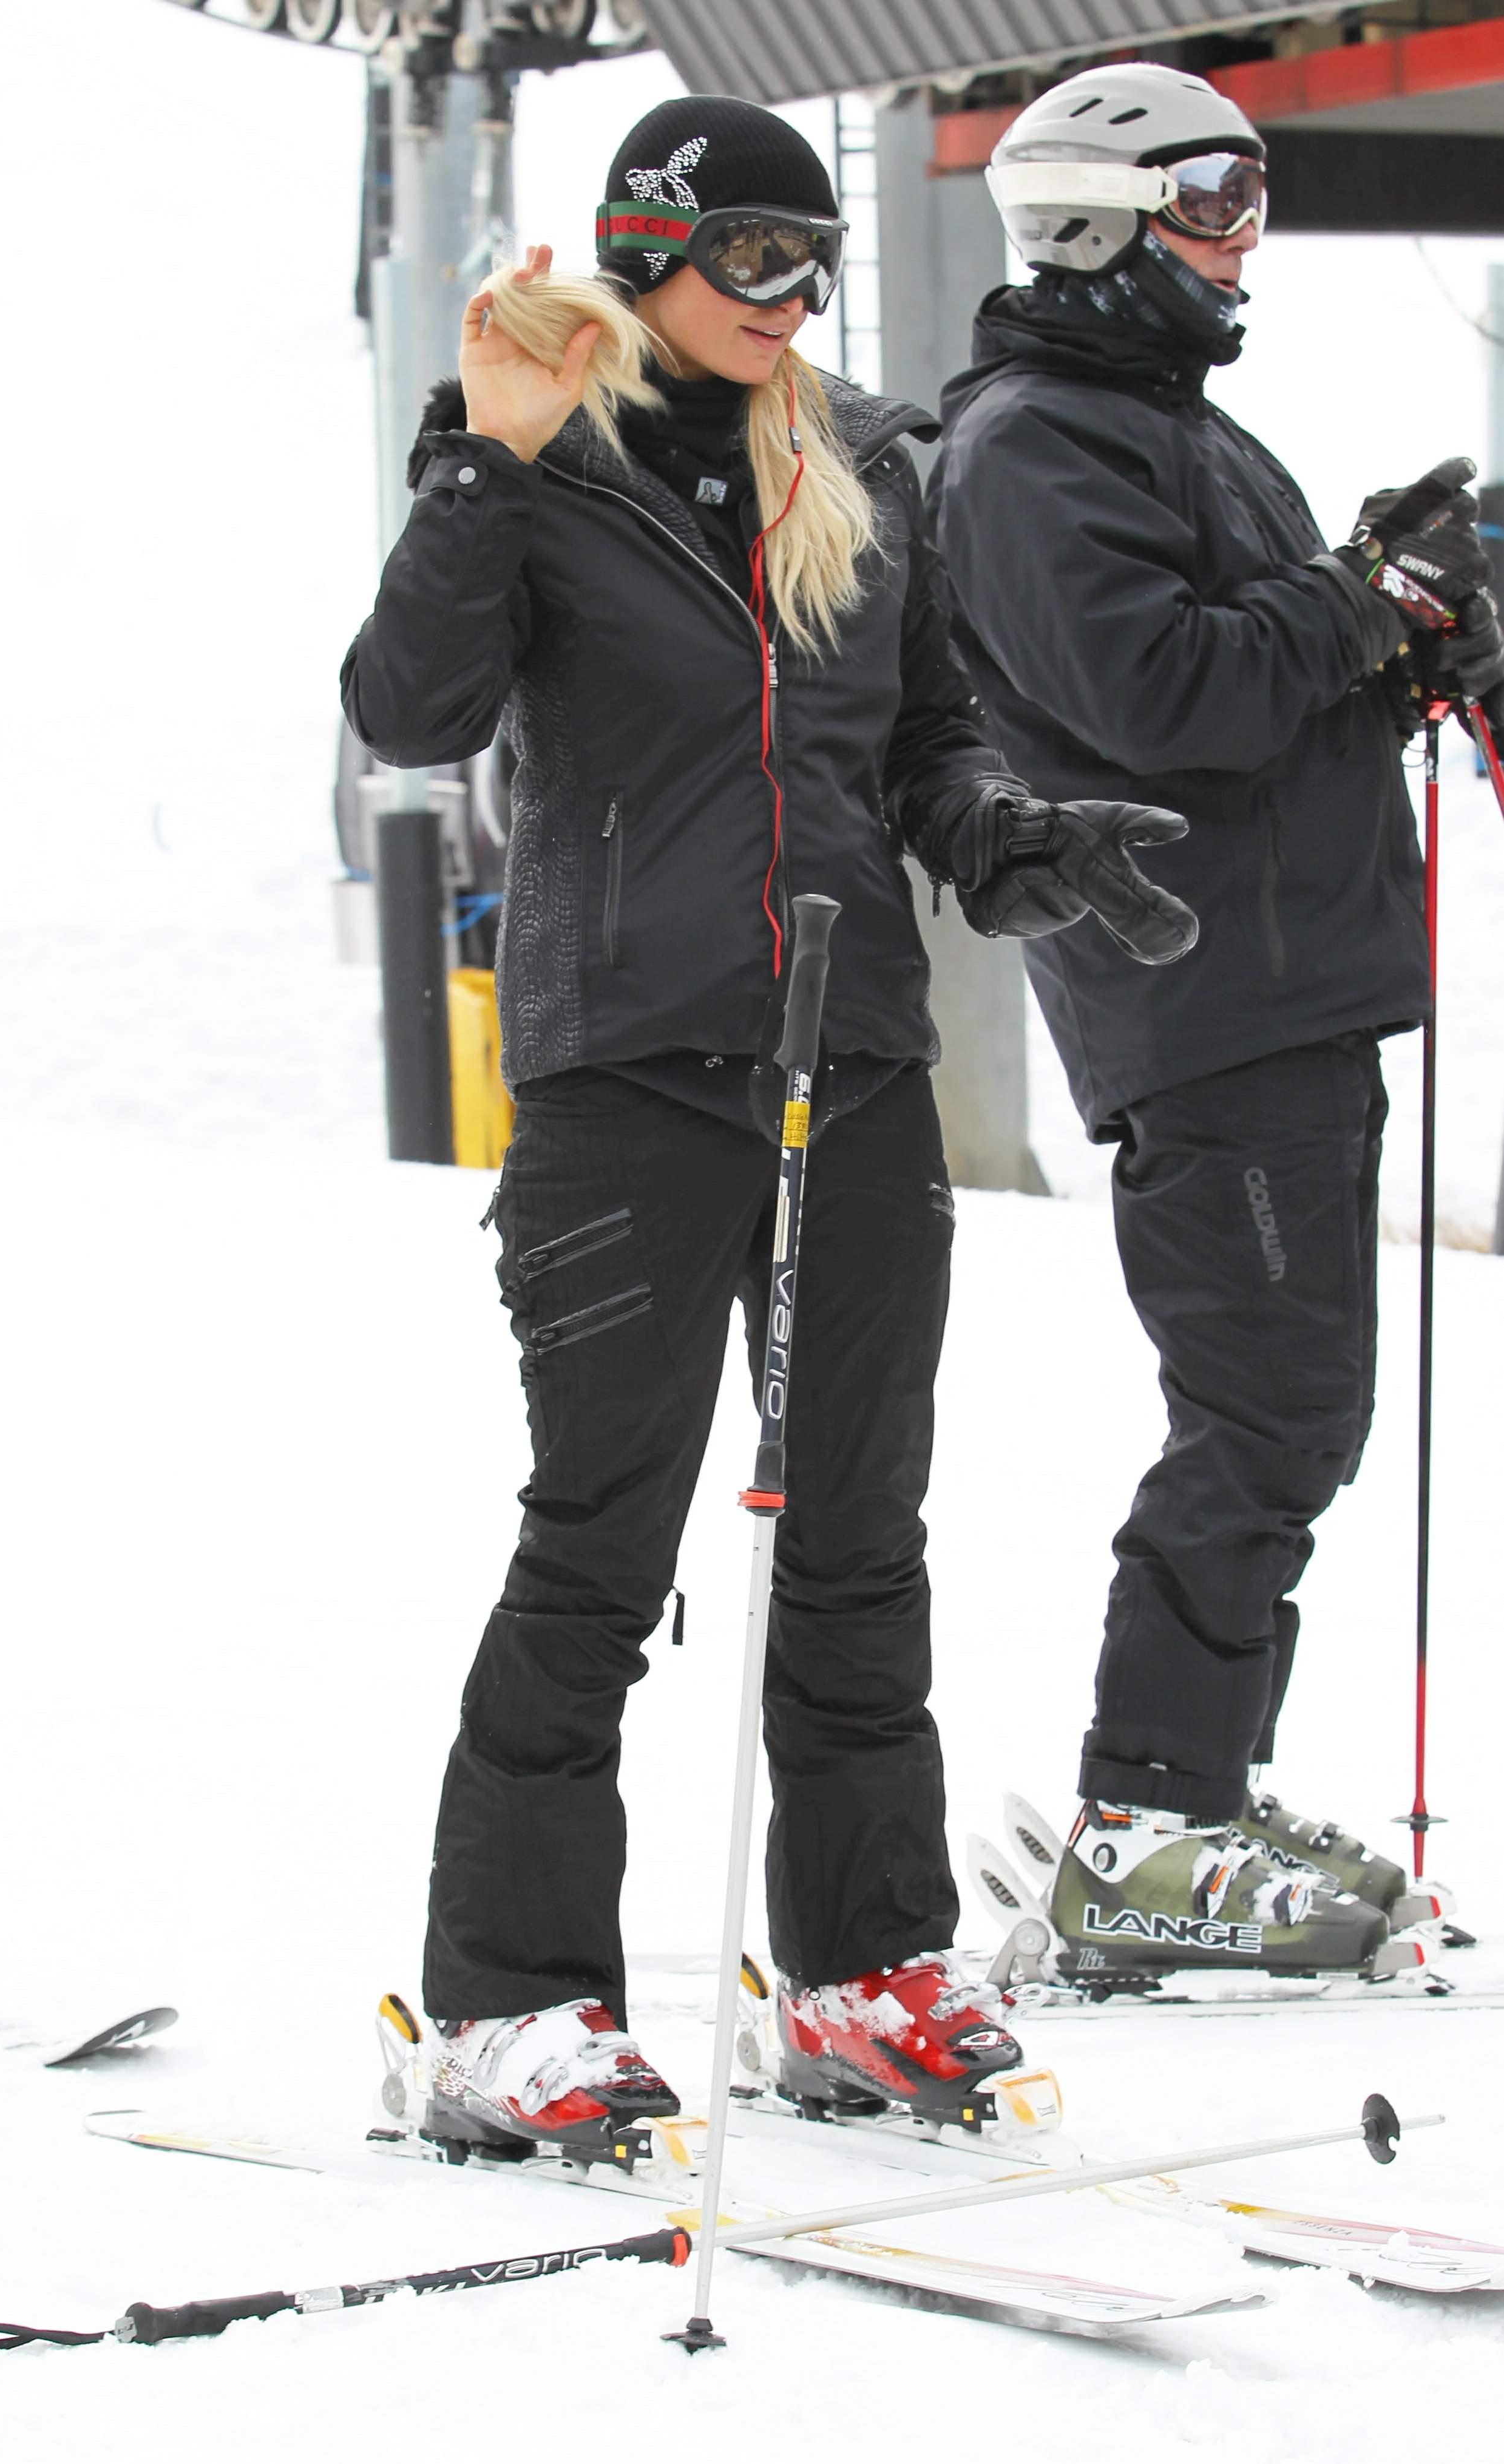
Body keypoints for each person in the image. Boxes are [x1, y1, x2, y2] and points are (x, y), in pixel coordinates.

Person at [342, 95, 1194, 2152]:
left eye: (814, 262)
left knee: (853, 1539)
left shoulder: (867, 463)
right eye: (750, 261)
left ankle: (861, 1967)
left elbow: (920, 735)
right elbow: (408, 707)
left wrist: (1004, 841)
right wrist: (478, 457)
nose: (790, 300)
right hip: (627, 1071)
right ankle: (507, 2008)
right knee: (602, 1546)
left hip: (856, 1068)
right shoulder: (538, 468)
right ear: (645, 253)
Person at [932, 61, 1504, 1986]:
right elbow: (1157, 689)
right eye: (1206, 200)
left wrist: (1405, 625)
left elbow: (1263, 677)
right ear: (1089, 221)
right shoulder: (1030, 444)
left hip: (1281, 986)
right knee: (1261, 1413)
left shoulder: (1163, 429)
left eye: (1252, 200)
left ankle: (1190, 1794)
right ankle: (1149, 1815)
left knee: (1288, 1409)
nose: (1237, 242)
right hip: (1203, 995)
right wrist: (1355, 609)